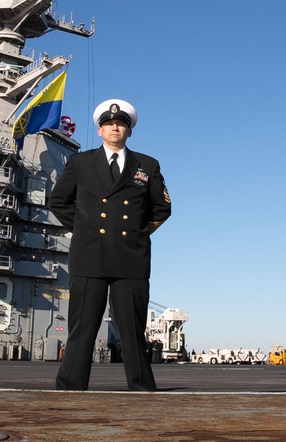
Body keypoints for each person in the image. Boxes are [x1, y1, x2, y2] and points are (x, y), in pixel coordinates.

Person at [50, 99, 172, 391]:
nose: (114, 127)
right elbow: (58, 201)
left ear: (129, 131)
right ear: (99, 129)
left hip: (131, 257)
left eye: (120, 124)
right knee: (82, 329)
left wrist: (138, 233)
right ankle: (69, 388)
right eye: (108, 124)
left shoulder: (147, 165)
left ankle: (142, 388)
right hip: (89, 255)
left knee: (131, 330)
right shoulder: (80, 163)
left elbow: (162, 208)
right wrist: (85, 230)